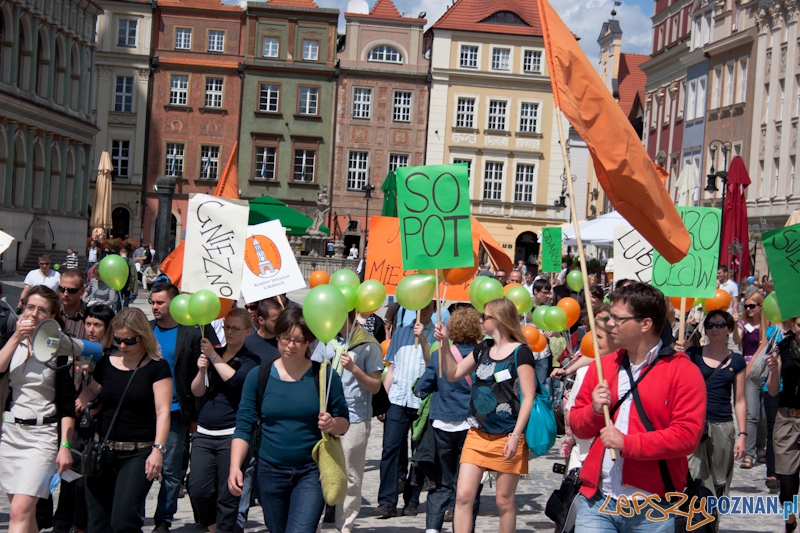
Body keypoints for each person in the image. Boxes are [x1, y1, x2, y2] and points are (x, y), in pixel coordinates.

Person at [570, 282, 706, 532]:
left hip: (654, 505)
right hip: (598, 501)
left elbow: (687, 437)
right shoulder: (603, 366)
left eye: (618, 319)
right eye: (610, 317)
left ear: (645, 324)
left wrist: (628, 444)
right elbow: (578, 427)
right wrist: (594, 411)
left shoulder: (683, 371)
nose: (609, 324)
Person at [229, 307, 350, 533]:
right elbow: (244, 424)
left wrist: (332, 424)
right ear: (278, 336)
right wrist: (235, 466)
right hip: (268, 471)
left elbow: (344, 421)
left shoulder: (324, 376)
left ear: (309, 342)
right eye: (285, 338)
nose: (290, 345)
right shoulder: (259, 376)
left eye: (298, 340)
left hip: (311, 472)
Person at [433, 298, 536, 533]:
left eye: (485, 317)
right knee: (462, 497)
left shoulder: (521, 353)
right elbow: (454, 373)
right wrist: (445, 344)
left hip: (507, 435)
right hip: (477, 433)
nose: (481, 321)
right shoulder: (483, 348)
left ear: (498, 320)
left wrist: (515, 436)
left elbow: (528, 397)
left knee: (503, 501)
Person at [79, 308, 172, 533]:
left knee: (123, 522)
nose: (122, 346)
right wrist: (82, 399)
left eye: (129, 340)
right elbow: (91, 394)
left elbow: (163, 412)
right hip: (103, 450)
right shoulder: (105, 363)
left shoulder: (157, 367)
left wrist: (158, 450)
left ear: (143, 336)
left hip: (138, 452)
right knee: (97, 523)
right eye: (118, 340)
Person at [0, 286, 75, 533]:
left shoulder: (58, 351)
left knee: (19, 511)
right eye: (30, 307)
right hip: (10, 433)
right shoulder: (12, 342)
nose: (33, 314)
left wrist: (64, 445)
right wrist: (15, 339)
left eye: (42, 310)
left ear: (52, 317)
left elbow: (66, 404)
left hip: (41, 436)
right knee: (24, 513)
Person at [311, 309, 384, 533]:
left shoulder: (368, 344)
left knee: (351, 474)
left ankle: (345, 526)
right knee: (319, 472)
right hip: (326, 415)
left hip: (355, 417)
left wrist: (353, 368)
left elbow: (375, 386)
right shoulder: (325, 340)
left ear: (347, 315)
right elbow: (312, 373)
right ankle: (313, 522)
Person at [189, 308, 259, 533]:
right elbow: (197, 392)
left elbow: (236, 381)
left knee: (227, 496)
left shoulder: (251, 360)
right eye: (227, 327)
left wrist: (213, 357)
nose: (229, 332)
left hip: (232, 434)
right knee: (198, 489)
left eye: (235, 328)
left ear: (248, 331)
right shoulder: (214, 354)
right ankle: (212, 527)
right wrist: (201, 371)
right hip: (205, 432)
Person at [415, 307, 481, 533]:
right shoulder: (482, 355)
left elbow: (423, 387)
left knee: (441, 481)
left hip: (442, 423)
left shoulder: (439, 354)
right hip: (471, 425)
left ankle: (432, 528)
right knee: (469, 485)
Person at [374, 300, 437, 518]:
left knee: (419, 454)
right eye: (421, 307)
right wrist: (381, 400)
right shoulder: (400, 334)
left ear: (435, 309)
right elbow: (391, 367)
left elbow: (433, 365)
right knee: (390, 450)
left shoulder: (437, 335)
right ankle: (386, 501)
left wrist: (424, 340)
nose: (424, 311)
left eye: (428, 307)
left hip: (422, 402)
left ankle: (412, 500)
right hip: (397, 399)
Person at [148, 283, 202, 533]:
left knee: (170, 470)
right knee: (141, 466)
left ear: (175, 303)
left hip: (175, 412)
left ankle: (163, 519)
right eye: (152, 302)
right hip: (144, 409)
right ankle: (134, 513)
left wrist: (194, 415)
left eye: (160, 302)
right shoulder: (146, 330)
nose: (154, 307)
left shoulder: (189, 333)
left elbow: (194, 375)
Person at [677, 310, 747, 498]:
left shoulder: (737, 360)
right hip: (694, 424)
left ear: (729, 329)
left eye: (719, 325)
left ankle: (712, 522)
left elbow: (740, 400)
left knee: (719, 481)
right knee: (694, 477)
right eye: (710, 325)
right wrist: (678, 355)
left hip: (722, 425)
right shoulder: (693, 354)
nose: (714, 329)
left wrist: (742, 435)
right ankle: (696, 520)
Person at [766, 315, 800, 532]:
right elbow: (771, 390)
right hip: (788, 419)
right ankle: (790, 520)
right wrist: (773, 370)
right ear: (793, 325)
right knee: (787, 488)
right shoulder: (783, 347)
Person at [733, 292, 768, 469]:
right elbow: (737, 339)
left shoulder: (768, 324)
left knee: (763, 414)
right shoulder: (744, 324)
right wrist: (736, 323)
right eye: (746, 306)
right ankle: (749, 453)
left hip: (767, 370)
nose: (748, 309)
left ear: (761, 306)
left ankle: (761, 446)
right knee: (752, 413)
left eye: (752, 306)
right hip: (748, 369)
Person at [532, 280, 554, 390]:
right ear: (535, 291)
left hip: (543, 353)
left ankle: (540, 407)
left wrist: (552, 331)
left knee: (542, 386)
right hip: (527, 351)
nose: (547, 296)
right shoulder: (525, 307)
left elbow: (558, 328)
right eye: (544, 292)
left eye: (548, 293)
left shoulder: (548, 309)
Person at [58, 268, 88, 340]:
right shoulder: (52, 313)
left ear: (82, 291)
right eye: (62, 289)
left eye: (71, 290)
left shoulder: (90, 316)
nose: (65, 294)